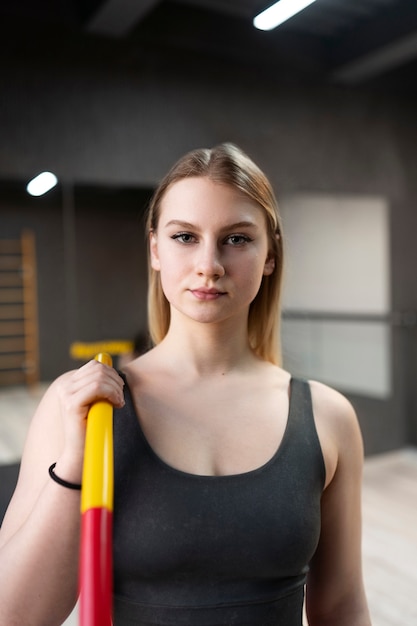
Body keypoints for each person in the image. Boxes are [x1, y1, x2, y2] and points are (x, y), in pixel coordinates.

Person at [0, 143, 371, 626]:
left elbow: (341, 607)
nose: (209, 264)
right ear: (155, 249)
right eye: (184, 237)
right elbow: (15, 616)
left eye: (236, 239)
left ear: (270, 255)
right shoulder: (88, 407)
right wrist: (75, 464)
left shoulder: (328, 416)